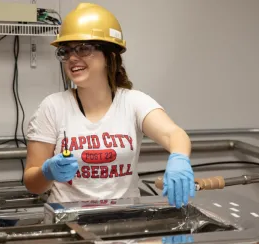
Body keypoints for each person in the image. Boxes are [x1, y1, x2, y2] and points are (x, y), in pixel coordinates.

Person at [23, 3, 194, 209]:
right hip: (68, 225)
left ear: (109, 55)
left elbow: (173, 134)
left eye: (84, 48)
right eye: (66, 51)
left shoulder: (133, 102)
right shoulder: (53, 107)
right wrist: (47, 172)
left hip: (125, 222)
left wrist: (179, 159)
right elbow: (32, 184)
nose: (72, 58)